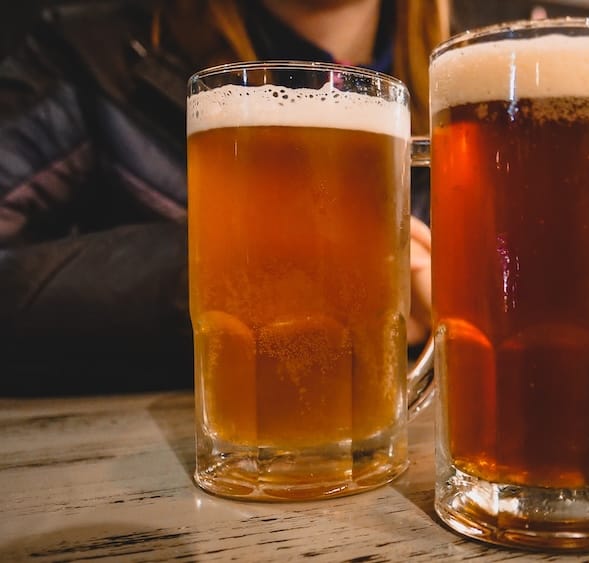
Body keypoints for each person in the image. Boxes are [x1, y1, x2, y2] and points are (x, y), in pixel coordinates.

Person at [0, 0, 448, 395]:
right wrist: (225, 273)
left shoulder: (474, 79)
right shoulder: (91, 55)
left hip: (380, 442)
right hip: (171, 449)